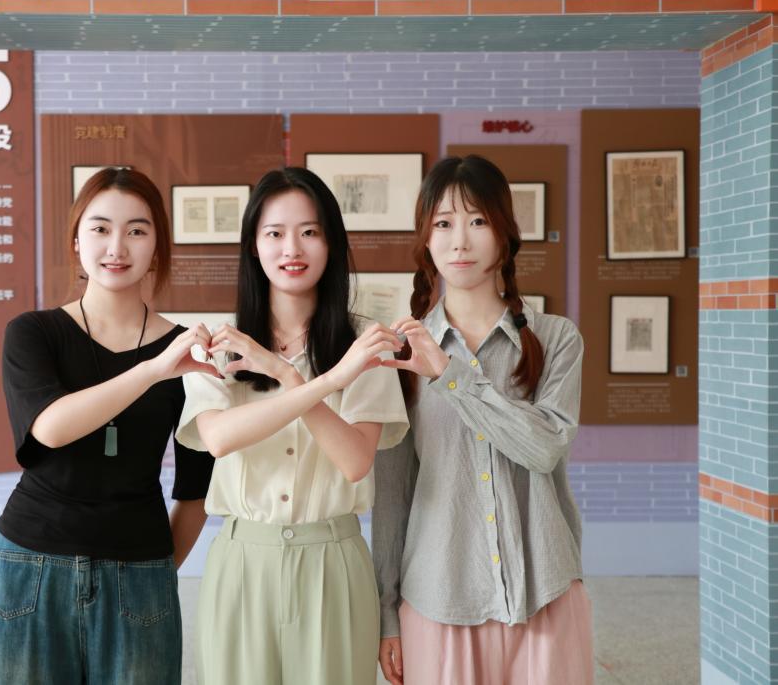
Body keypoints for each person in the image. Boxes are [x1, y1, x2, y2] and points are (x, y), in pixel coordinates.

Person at [0, 168, 217, 684]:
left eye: (137, 230)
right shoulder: (33, 332)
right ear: (76, 240)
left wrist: (152, 573)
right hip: (31, 565)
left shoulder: (188, 352)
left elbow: (197, 490)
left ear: (158, 246)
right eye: (101, 228)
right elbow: (50, 428)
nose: (116, 247)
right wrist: (153, 370)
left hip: (140, 570)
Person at [175, 167, 409, 685]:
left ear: (331, 243)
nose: (291, 249)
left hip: (333, 561)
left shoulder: (367, 343)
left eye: (309, 232)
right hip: (242, 562)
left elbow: (355, 461)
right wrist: (329, 383)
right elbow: (219, 438)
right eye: (275, 233)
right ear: (253, 246)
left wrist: (285, 375)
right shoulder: (218, 345)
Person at [374, 155, 592, 685]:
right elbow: (393, 494)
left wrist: (450, 375)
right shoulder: (402, 352)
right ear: (426, 238)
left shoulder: (556, 338)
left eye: (477, 221)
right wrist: (386, 615)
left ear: (504, 232)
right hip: (439, 596)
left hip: (543, 591)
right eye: (443, 223)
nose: (460, 241)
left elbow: (544, 447)